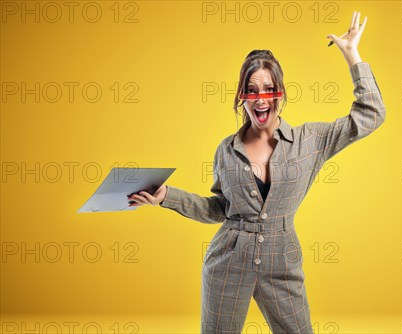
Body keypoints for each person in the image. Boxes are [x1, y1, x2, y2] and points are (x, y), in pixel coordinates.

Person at [128, 11, 385, 334]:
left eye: (268, 89)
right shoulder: (226, 149)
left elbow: (371, 114)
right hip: (226, 265)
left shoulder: (311, 140)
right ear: (241, 97)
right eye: (251, 90)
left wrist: (352, 56)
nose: (260, 99)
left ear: (280, 92)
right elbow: (220, 209)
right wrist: (167, 196)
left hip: (283, 264)